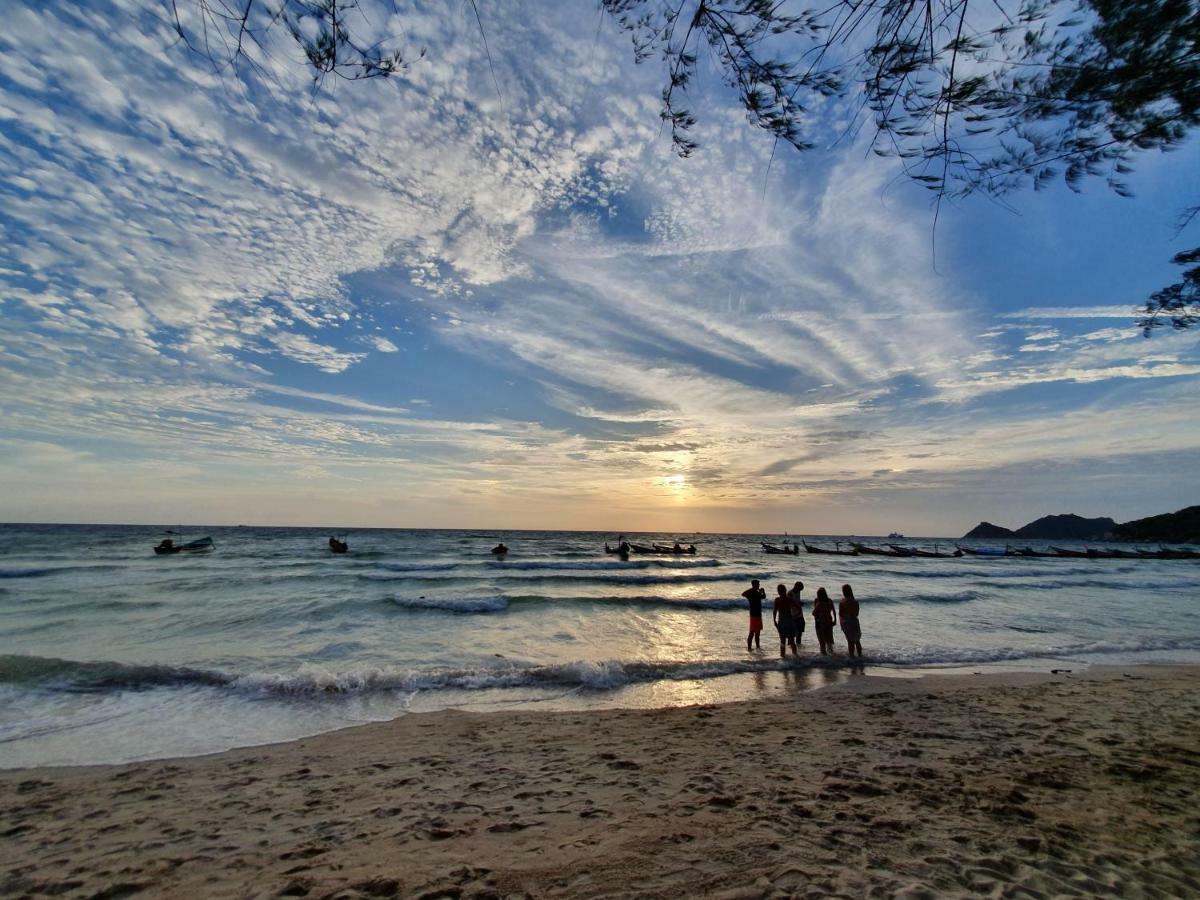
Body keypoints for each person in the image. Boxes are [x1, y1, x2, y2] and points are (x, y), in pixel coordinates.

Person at [772, 584, 799, 658]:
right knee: (792, 640)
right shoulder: (789, 599)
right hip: (790, 620)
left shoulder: (777, 600)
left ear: (778, 591)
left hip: (782, 621)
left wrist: (774, 621)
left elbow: (775, 611)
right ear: (785, 590)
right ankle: (795, 656)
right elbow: (798, 608)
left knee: (782, 640)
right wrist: (795, 616)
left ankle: (782, 657)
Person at [812, 587, 837, 655]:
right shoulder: (830, 601)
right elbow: (834, 611)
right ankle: (831, 657)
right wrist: (835, 620)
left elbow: (814, 613)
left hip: (820, 622)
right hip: (829, 621)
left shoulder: (818, 602)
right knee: (829, 641)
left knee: (822, 643)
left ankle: (824, 659)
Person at [742, 579, 766, 651]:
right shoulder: (752, 592)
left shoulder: (757, 593)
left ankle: (757, 647)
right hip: (754, 615)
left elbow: (764, 597)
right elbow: (743, 594)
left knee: (757, 633)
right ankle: (749, 648)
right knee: (752, 632)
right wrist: (752, 592)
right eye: (757, 584)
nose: (759, 585)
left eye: (759, 584)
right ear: (754, 585)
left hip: (758, 614)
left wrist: (762, 591)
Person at [840, 583, 862, 657]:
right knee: (857, 641)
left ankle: (852, 657)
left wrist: (842, 624)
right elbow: (856, 614)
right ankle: (860, 656)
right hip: (855, 621)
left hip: (846, 622)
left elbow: (841, 614)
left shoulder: (843, 602)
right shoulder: (855, 601)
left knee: (850, 642)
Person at [787, 581, 806, 649]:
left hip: (800, 615)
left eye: (800, 589)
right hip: (793, 615)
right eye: (799, 588)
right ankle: (790, 648)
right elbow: (789, 604)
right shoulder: (790, 594)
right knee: (792, 634)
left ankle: (799, 647)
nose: (799, 590)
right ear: (795, 586)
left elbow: (796, 601)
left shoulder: (798, 592)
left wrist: (800, 603)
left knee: (800, 632)